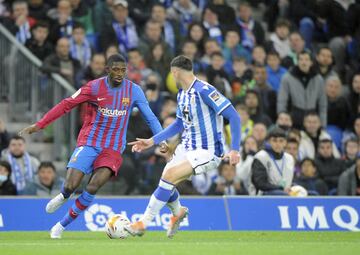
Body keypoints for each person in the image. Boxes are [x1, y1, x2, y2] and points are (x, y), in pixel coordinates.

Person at [18, 54, 163, 239]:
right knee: (71, 185)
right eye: (116, 69)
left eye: (123, 70)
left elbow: (150, 117)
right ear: (107, 69)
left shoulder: (134, 91)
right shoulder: (93, 87)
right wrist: (40, 124)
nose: (120, 74)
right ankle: (63, 195)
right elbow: (66, 104)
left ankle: (60, 226)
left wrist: (161, 140)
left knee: (93, 186)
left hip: (112, 148)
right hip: (89, 142)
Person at [125, 55, 241, 238]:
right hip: (186, 148)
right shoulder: (182, 94)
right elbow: (179, 124)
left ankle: (142, 223)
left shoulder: (205, 90)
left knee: (169, 176)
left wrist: (234, 149)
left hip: (208, 151)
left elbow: (234, 116)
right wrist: (152, 141)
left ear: (175, 72)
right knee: (165, 180)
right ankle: (178, 212)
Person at [277, 50, 327, 129]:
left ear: (311, 62)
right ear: (297, 62)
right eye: (301, 59)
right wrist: (282, 116)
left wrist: (323, 124)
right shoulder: (287, 78)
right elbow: (282, 100)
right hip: (295, 116)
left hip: (312, 117)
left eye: (306, 60)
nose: (304, 62)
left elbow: (322, 104)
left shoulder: (318, 79)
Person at [251, 127, 294, 196]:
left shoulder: (289, 158)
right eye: (274, 141)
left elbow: (289, 181)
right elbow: (260, 184)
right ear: (268, 142)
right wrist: (280, 189)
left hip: (285, 193)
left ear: (285, 143)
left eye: (281, 141)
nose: (278, 144)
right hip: (264, 196)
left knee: (309, 193)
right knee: (282, 194)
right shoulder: (261, 157)